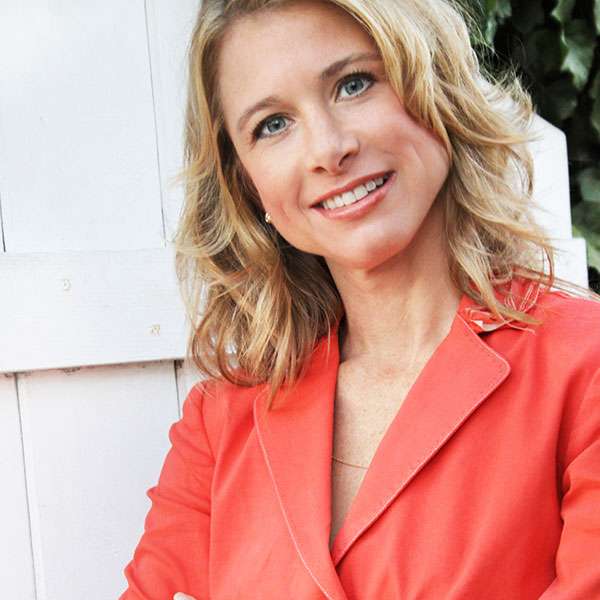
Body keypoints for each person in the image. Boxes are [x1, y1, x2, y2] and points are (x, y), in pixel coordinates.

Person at [120, 0, 600, 598]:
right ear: (246, 181)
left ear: (434, 88)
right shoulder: (220, 423)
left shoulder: (585, 370)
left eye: (354, 84)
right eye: (272, 124)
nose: (327, 149)